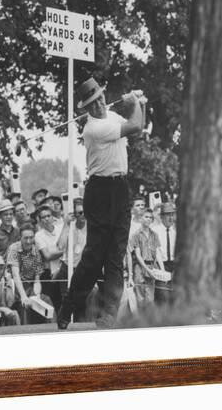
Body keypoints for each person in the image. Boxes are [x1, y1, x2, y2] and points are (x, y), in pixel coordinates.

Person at [57, 77, 143, 329]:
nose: (98, 106)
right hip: (99, 191)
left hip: (120, 189)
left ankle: (109, 314)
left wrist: (141, 103)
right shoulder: (92, 129)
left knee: (116, 256)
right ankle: (68, 307)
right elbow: (135, 126)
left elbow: (139, 122)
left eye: (100, 99)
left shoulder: (114, 116)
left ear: (104, 96)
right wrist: (135, 102)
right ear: (86, 108)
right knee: (94, 259)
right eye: (92, 104)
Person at [6, 223, 53, 325]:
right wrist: (23, 296)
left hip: (30, 286)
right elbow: (15, 275)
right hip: (14, 287)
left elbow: (37, 279)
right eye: (25, 238)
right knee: (24, 305)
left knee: (45, 300)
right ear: (20, 237)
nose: (28, 241)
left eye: (31, 238)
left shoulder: (36, 250)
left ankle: (52, 329)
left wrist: (37, 295)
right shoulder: (14, 248)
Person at [54, 200, 87, 320]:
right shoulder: (69, 226)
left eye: (85, 212)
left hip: (82, 269)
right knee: (66, 300)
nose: (82, 215)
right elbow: (60, 247)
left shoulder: (91, 227)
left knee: (82, 301)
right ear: (74, 214)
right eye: (79, 213)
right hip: (67, 268)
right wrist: (66, 225)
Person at [130, 208, 165, 309]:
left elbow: (157, 253)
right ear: (141, 218)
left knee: (150, 299)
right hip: (140, 268)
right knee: (140, 299)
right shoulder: (136, 235)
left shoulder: (154, 235)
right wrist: (146, 269)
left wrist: (162, 270)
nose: (148, 219)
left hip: (152, 267)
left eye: (150, 217)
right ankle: (140, 323)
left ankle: (149, 322)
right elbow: (138, 255)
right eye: (146, 217)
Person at [35, 205, 64, 311]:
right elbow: (47, 256)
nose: (47, 219)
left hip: (65, 269)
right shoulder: (39, 236)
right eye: (43, 217)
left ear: (53, 217)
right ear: (40, 220)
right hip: (51, 274)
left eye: (48, 216)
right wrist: (64, 251)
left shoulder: (62, 229)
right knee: (57, 303)